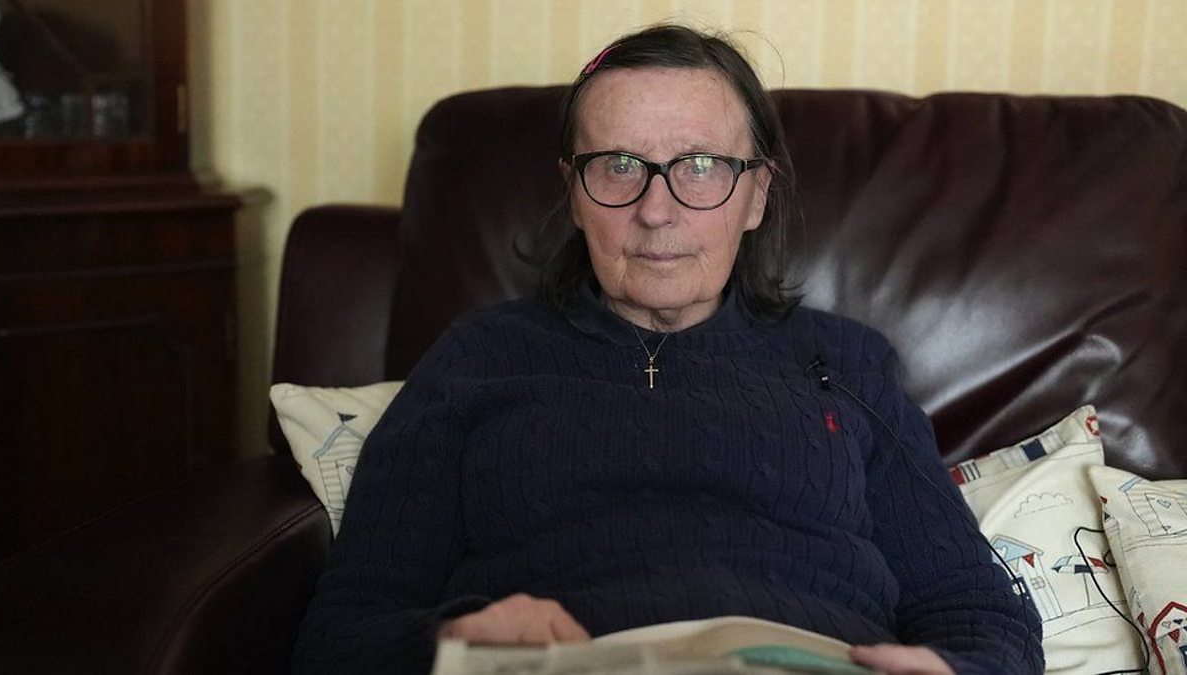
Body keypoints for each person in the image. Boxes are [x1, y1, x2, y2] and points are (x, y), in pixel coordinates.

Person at [292, 25, 1043, 675]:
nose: (657, 211)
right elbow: (340, 634)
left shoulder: (848, 366)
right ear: (573, 191)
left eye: (700, 166)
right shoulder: (477, 360)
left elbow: (979, 612)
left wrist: (957, 668)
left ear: (756, 195)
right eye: (618, 166)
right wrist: (449, 641)